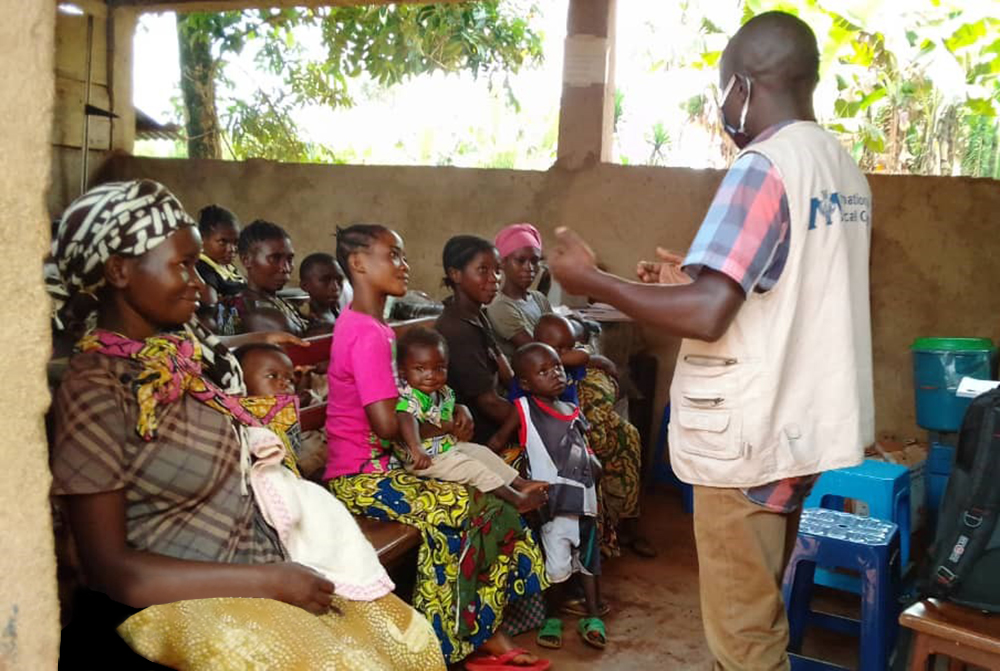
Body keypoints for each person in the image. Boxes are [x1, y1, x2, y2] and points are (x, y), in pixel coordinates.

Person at [548, 12, 874, 670]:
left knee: (745, 639)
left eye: (724, 87)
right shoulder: (839, 165)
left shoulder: (763, 166)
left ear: (744, 85)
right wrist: (684, 278)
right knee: (757, 600)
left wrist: (593, 280)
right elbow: (785, 287)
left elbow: (706, 312)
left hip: (748, 438)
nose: (722, 103)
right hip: (803, 422)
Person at [48, 180, 445, 671]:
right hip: (183, 602)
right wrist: (269, 581)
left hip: (258, 564)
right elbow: (111, 571)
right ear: (119, 271)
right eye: (183, 265)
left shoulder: (180, 358)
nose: (201, 283)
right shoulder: (98, 389)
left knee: (410, 645)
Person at [324, 224, 551, 670]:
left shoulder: (375, 328)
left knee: (484, 505)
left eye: (404, 255)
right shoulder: (367, 333)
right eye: (393, 255)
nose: (403, 264)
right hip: (360, 478)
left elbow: (409, 411)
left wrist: (450, 417)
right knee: (464, 509)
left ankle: (474, 633)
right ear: (358, 264)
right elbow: (389, 424)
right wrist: (446, 425)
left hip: (391, 466)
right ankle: (443, 643)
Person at [488, 343, 606, 652]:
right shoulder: (524, 409)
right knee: (555, 567)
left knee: (590, 562)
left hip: (586, 502)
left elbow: (584, 446)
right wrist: (486, 468)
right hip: (553, 505)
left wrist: (595, 464)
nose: (555, 374)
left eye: (557, 367)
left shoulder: (572, 409)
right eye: (544, 371)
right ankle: (552, 617)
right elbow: (499, 442)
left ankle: (594, 617)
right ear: (525, 383)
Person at [393, 327, 548, 513]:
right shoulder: (410, 397)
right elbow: (406, 418)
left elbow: (447, 410)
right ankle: (517, 499)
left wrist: (460, 409)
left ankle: (519, 483)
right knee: (472, 469)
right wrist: (416, 448)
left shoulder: (442, 392)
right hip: (424, 459)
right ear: (403, 372)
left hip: (447, 447)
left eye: (439, 368)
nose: (430, 375)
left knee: (481, 453)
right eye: (420, 368)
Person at [435, 235, 515, 446]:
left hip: (496, 411)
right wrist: (535, 421)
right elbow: (489, 403)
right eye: (483, 270)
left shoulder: (473, 313)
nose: (494, 278)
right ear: (455, 274)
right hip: (478, 432)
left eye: (497, 270)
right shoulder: (457, 330)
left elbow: (502, 364)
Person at [487, 223, 552, 359]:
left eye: (534, 261)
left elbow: (557, 334)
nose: (529, 268)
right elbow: (538, 353)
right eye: (520, 260)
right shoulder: (500, 306)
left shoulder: (538, 298)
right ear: (503, 263)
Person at [234, 219, 308, 336]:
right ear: (246, 260)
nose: (286, 268)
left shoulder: (278, 301)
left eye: (289, 259)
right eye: (275, 258)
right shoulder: (236, 310)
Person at [195, 204, 246, 298]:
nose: (232, 249)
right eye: (223, 242)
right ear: (202, 239)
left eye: (236, 242)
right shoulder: (203, 270)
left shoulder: (227, 266)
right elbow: (211, 307)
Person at [298, 252, 344, 336]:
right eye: (325, 280)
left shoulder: (337, 311)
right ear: (305, 285)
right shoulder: (307, 323)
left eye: (339, 280)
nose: (335, 287)